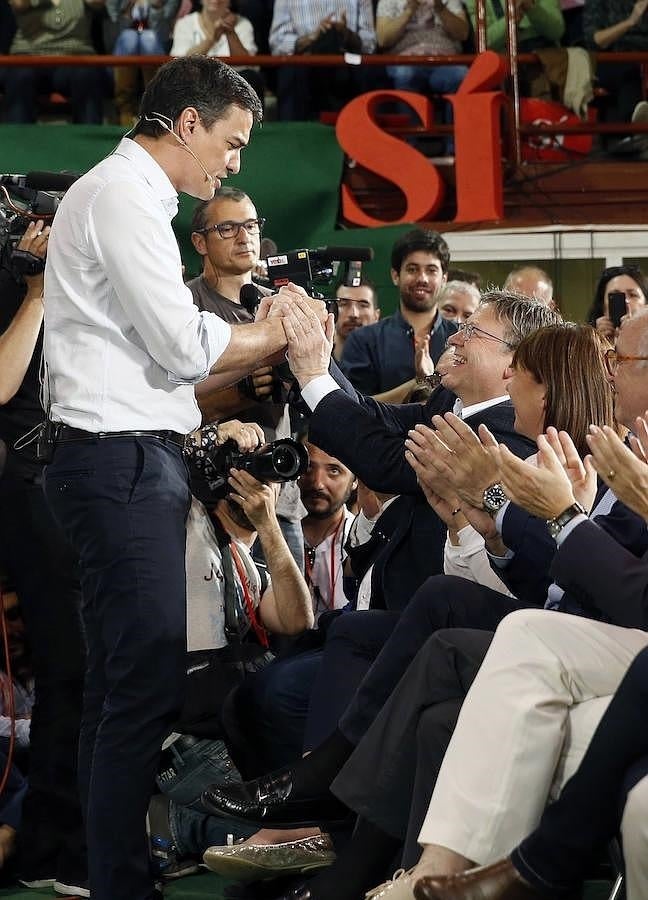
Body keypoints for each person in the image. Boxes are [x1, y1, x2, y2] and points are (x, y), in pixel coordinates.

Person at [40, 56, 325, 900]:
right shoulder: (124, 197)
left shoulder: (126, 196)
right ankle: (123, 882)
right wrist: (277, 331)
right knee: (143, 683)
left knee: (124, 685)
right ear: (188, 124)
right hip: (118, 459)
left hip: (120, 458)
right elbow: (183, 348)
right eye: (232, 143)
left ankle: (114, 874)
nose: (234, 164)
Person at [0, 222, 90, 895]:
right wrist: (32, 295)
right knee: (72, 669)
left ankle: (48, 846)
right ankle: (49, 846)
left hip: (57, 478)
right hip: (21, 484)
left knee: (75, 671)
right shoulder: (23, 283)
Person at [188, 186, 306, 569]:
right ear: (199, 242)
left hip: (280, 488)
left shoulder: (282, 305)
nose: (244, 237)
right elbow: (164, 399)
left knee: (291, 620)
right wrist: (239, 390)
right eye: (228, 228)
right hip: (206, 497)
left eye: (251, 225)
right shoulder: (183, 308)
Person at [339, 229, 457, 395]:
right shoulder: (363, 340)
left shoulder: (461, 338)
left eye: (431, 270)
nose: (422, 278)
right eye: (412, 269)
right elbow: (356, 407)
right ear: (395, 276)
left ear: (444, 279)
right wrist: (419, 383)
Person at [376, 0, 469, 154]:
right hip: (405, 59)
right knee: (404, 74)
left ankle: (455, 149)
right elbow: (383, 39)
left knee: (461, 75)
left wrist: (440, 8)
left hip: (444, 60)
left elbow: (463, 33)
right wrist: (409, 11)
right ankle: (410, 149)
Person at [268, 0, 376, 120]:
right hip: (306, 59)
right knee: (292, 72)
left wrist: (346, 33)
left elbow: (369, 43)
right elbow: (277, 43)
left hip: (348, 57)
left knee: (336, 43)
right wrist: (312, 37)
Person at [4, 0, 107, 123]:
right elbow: (19, 4)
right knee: (20, 76)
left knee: (87, 75)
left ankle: (91, 135)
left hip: (74, 58)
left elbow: (97, 2)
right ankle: (17, 136)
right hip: (29, 56)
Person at [300, 441, 357, 620]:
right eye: (308, 467)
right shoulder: (266, 534)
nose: (318, 483)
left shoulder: (363, 542)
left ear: (355, 480)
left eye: (333, 470)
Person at [170, 0, 263, 104]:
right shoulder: (185, 24)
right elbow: (179, 64)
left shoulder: (243, 24)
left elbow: (248, 66)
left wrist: (231, 33)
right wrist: (212, 39)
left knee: (251, 78)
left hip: (231, 88)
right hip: (195, 85)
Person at [583, 0, 648, 124]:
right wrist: (630, 21)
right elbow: (596, 40)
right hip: (614, 58)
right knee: (630, 73)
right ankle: (636, 126)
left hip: (644, 56)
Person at [463, 0, 564, 52]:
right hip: (508, 67)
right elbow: (483, 43)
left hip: (547, 59)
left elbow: (557, 31)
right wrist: (512, 18)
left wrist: (532, 8)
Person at [587, 263, 648, 341]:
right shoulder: (591, 343)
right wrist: (600, 343)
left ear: (646, 304)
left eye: (632, 295)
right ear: (603, 306)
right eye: (615, 296)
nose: (625, 301)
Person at [332, 280, 380, 363]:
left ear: (376, 316)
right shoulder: (314, 363)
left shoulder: (389, 367)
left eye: (363, 305)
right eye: (344, 304)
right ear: (332, 311)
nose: (354, 314)